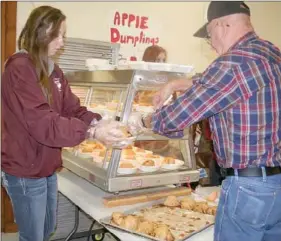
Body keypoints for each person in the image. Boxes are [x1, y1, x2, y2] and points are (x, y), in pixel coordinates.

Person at [128, 2, 281, 241]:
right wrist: (176, 83)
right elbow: (218, 83)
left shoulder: (232, 63)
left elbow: (177, 117)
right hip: (275, 184)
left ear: (221, 25)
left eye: (209, 35)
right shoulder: (270, 52)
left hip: (248, 188)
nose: (210, 43)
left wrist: (142, 121)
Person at [1, 6, 130, 241]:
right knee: (33, 236)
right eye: (57, 35)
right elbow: (43, 122)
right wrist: (91, 132)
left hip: (47, 166)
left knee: (47, 228)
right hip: (25, 170)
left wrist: (101, 122)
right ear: (40, 32)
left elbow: (73, 109)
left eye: (64, 36)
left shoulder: (54, 71)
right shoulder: (19, 68)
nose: (62, 43)